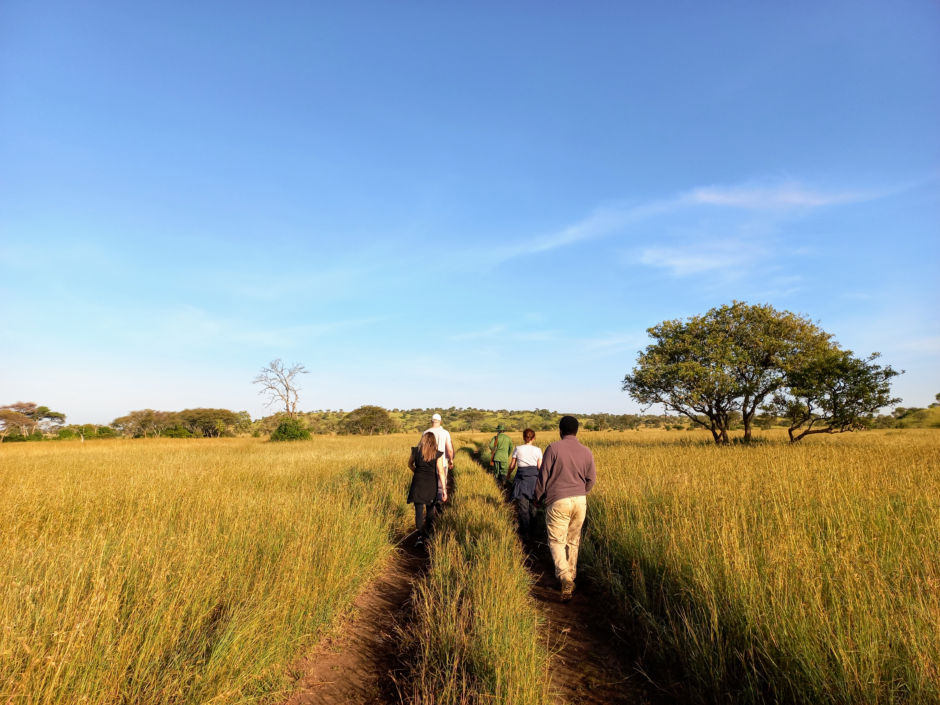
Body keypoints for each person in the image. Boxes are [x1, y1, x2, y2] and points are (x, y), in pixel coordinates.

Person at [534, 415, 596, 601]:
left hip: (558, 500)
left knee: (556, 541)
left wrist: (537, 497)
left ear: (560, 430)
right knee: (573, 540)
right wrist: (581, 493)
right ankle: (571, 576)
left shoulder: (553, 448)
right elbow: (591, 479)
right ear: (577, 431)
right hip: (580, 500)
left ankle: (564, 577)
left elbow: (543, 475)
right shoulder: (586, 451)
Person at [407, 431, 447, 549]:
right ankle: (428, 536)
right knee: (430, 510)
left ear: (423, 440)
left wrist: (417, 472)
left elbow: (409, 464)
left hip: (417, 483)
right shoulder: (437, 454)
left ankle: (419, 537)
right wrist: (444, 489)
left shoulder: (415, 451)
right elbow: (440, 471)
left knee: (418, 511)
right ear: (434, 441)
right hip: (431, 484)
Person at [509, 428, 542, 539]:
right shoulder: (538, 450)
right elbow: (539, 467)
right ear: (534, 438)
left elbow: (512, 465)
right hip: (534, 481)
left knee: (523, 508)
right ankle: (534, 530)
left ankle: (525, 532)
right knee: (533, 507)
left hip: (521, 481)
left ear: (523, 437)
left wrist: (508, 474)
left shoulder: (518, 449)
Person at [421, 413, 455, 503]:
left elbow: (421, 449)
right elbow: (450, 449)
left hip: (427, 464)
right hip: (442, 462)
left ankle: (430, 507)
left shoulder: (425, 432)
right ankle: (438, 507)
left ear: (431, 421)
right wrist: (451, 460)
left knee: (430, 486)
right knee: (440, 486)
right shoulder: (445, 432)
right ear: (440, 421)